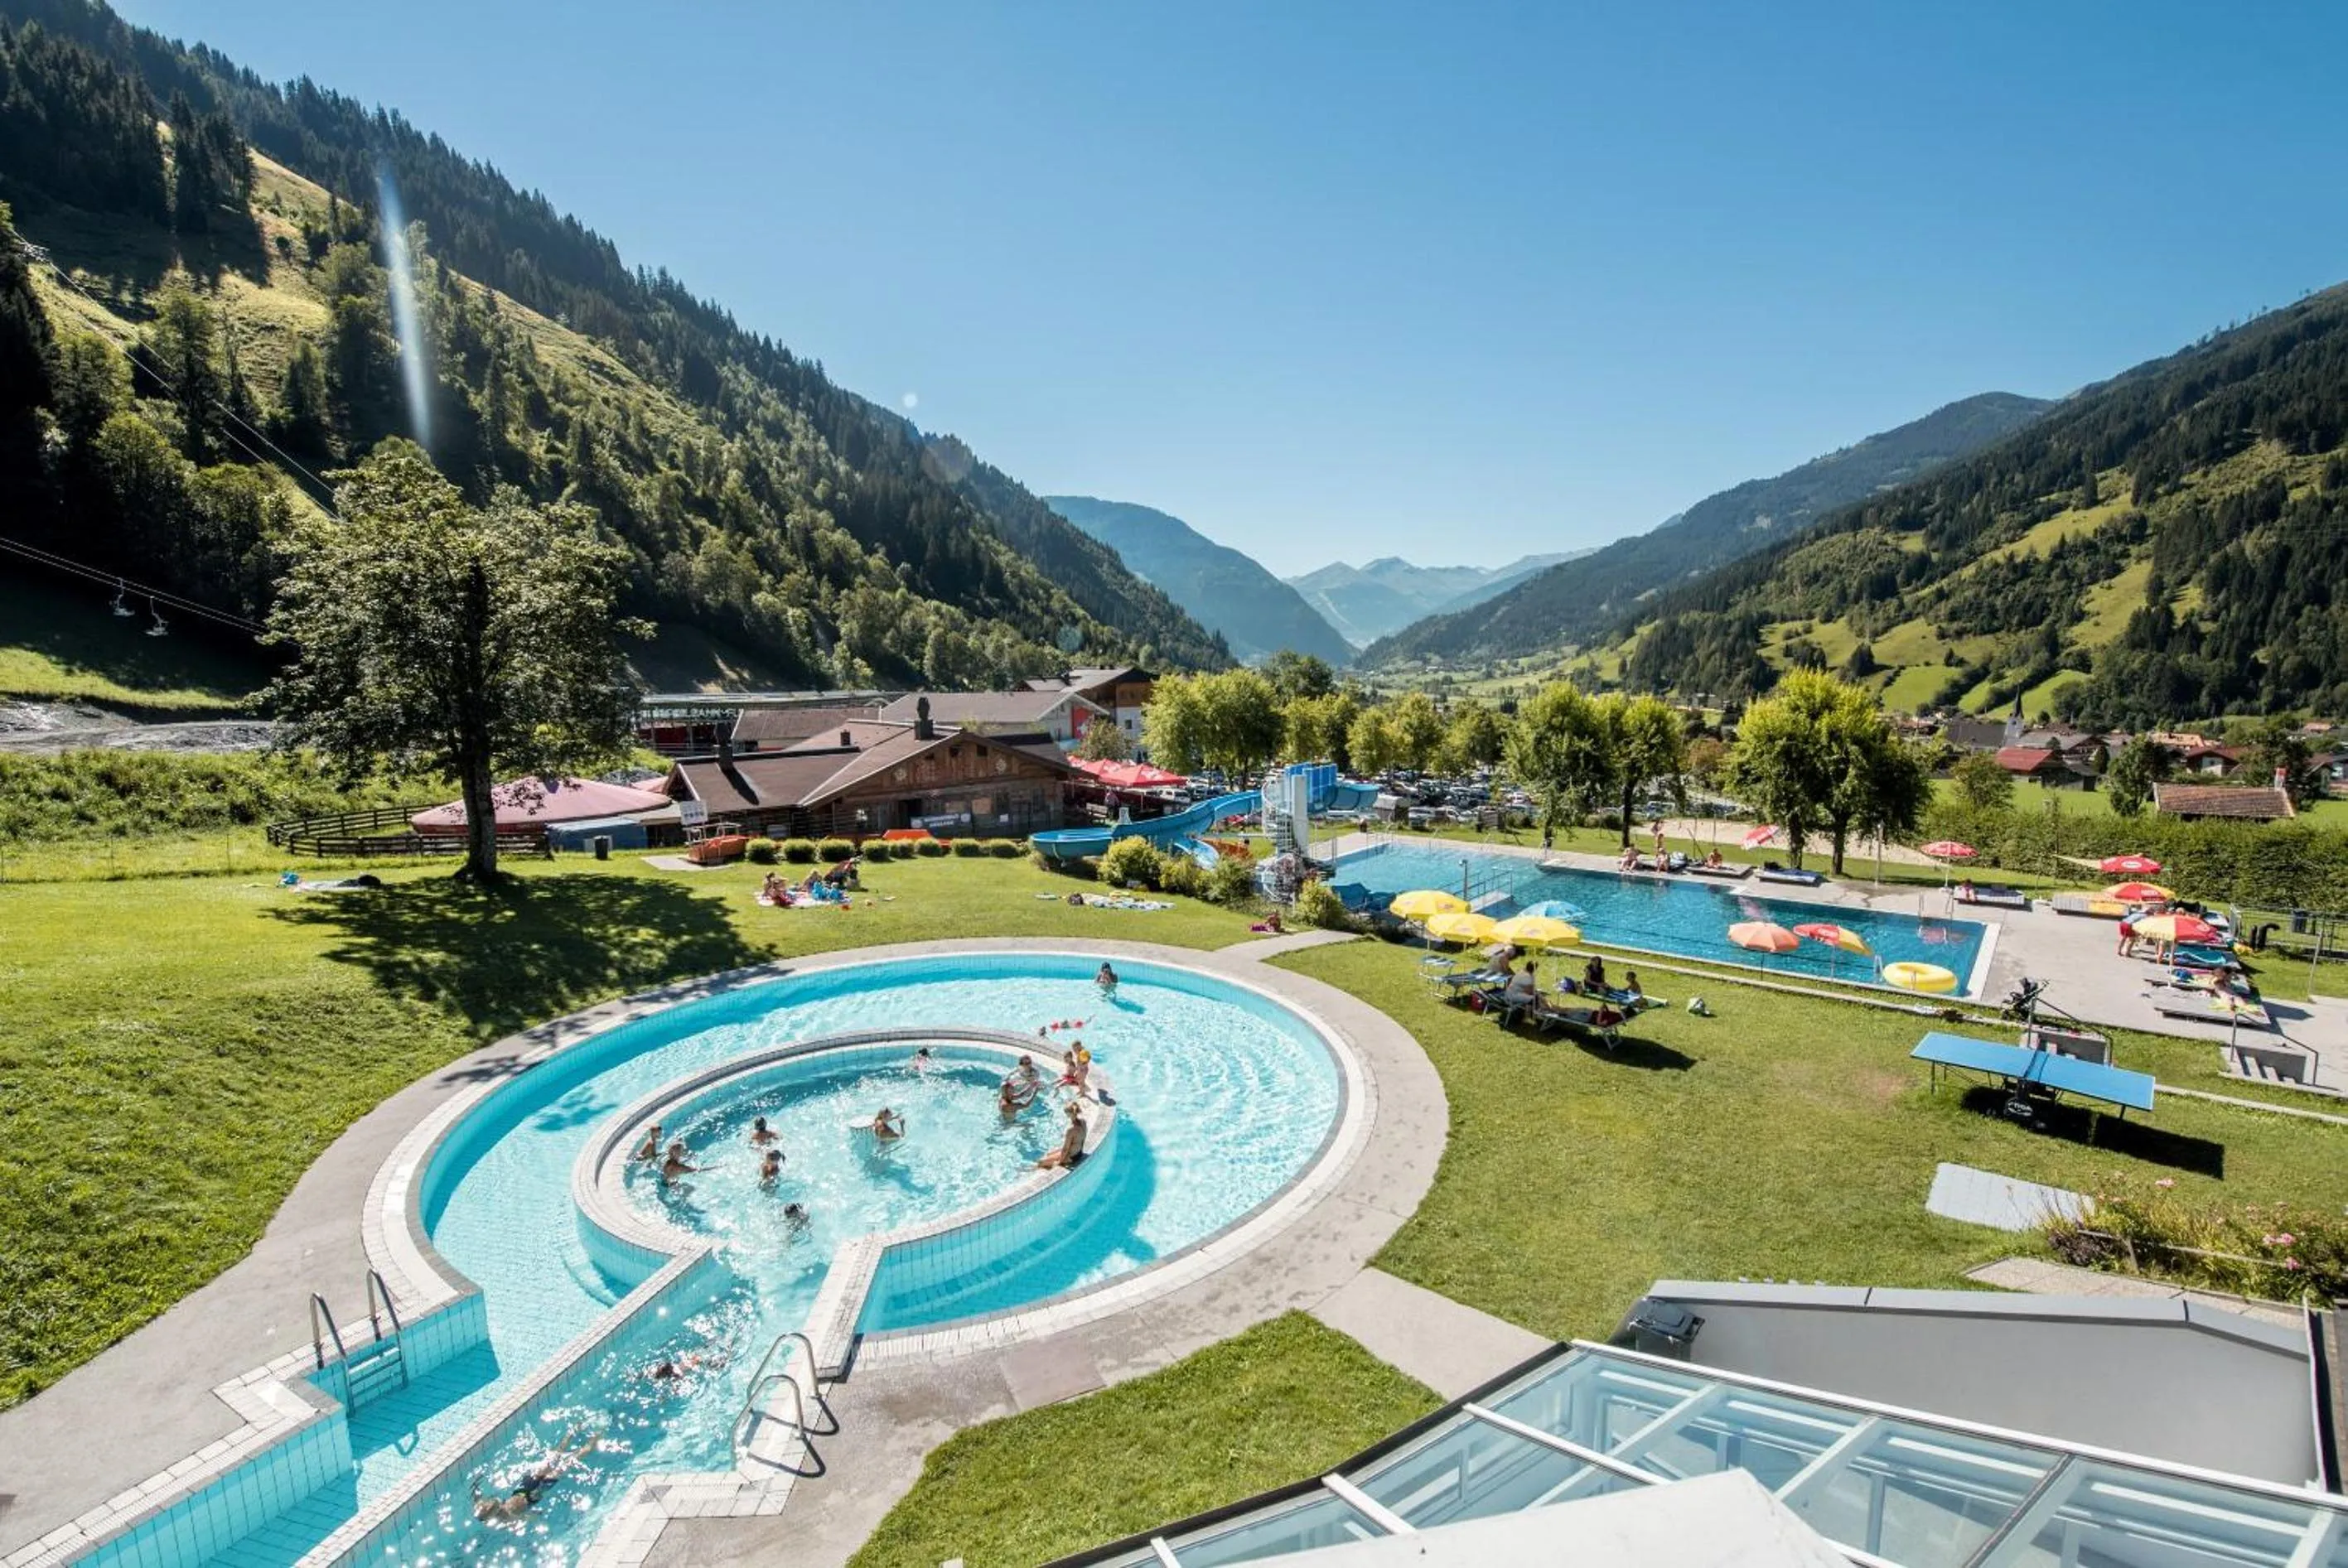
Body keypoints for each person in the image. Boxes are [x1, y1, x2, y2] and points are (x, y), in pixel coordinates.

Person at [472, 1426, 598, 1521]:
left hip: (525, 1487)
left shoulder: (482, 1505)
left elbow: (477, 1496)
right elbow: (525, 1518)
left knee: (555, 1456)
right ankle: (594, 1438)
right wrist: (535, 1515)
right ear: (491, 1516)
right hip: (533, 1494)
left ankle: (574, 1430)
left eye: (487, 1506)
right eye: (490, 1509)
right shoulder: (506, 1517)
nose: (488, 1506)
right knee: (565, 1464)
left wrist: (476, 1486)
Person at [1037, 1101, 1089, 1170]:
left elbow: (1065, 1149)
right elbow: (1082, 1140)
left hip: (1071, 1157)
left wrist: (1060, 1162)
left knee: (1040, 1162)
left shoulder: (1071, 1130)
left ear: (1069, 1114)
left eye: (1066, 1113)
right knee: (1049, 1154)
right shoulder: (1083, 1122)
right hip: (1079, 1153)